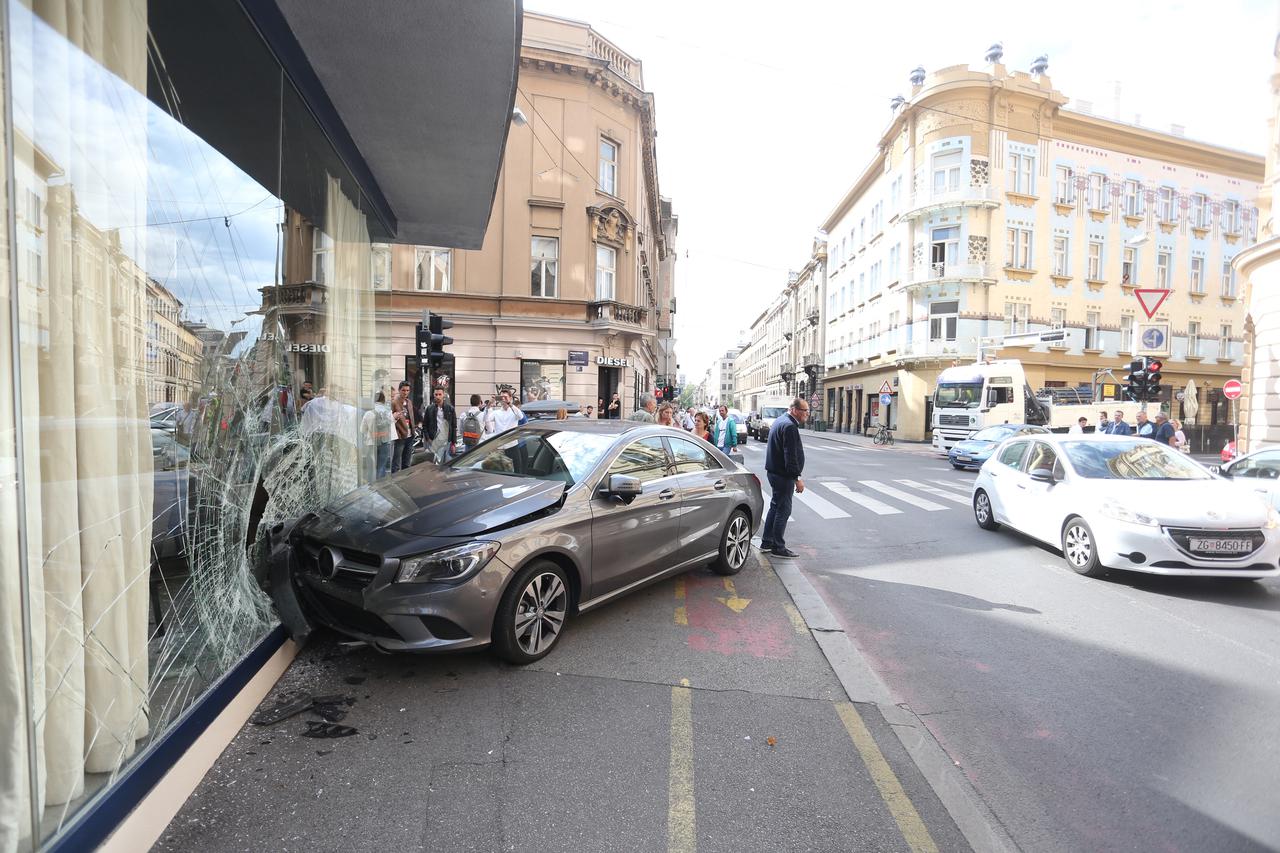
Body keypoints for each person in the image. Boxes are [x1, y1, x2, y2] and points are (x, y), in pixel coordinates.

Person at [761, 398, 808, 559]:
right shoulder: (789, 426)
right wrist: (797, 478)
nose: (807, 415)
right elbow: (790, 455)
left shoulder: (780, 420)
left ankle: (767, 542)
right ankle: (778, 546)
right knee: (784, 509)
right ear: (795, 410)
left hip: (774, 472)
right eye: (804, 411)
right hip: (783, 475)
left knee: (775, 506)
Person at [361, 391, 393, 479]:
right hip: (384, 441)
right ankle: (380, 487)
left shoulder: (368, 413)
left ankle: (371, 486)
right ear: (384, 400)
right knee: (381, 466)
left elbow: (362, 430)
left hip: (370, 443)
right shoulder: (388, 412)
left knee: (371, 468)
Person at [423, 387, 457, 464]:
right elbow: (424, 425)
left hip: (446, 440)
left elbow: (454, 426)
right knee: (434, 462)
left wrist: (453, 443)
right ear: (433, 395)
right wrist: (428, 439)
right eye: (436, 394)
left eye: (439, 394)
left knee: (444, 461)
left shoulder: (450, 409)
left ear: (443, 395)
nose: (438, 396)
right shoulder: (429, 408)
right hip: (433, 440)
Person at [390, 381, 417, 472]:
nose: (405, 392)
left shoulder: (409, 402)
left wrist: (414, 430)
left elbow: (411, 417)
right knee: (396, 462)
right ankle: (395, 481)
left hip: (410, 435)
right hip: (400, 436)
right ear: (399, 390)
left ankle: (405, 482)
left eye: (407, 390)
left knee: (407, 462)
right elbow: (390, 419)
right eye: (403, 390)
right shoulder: (394, 402)